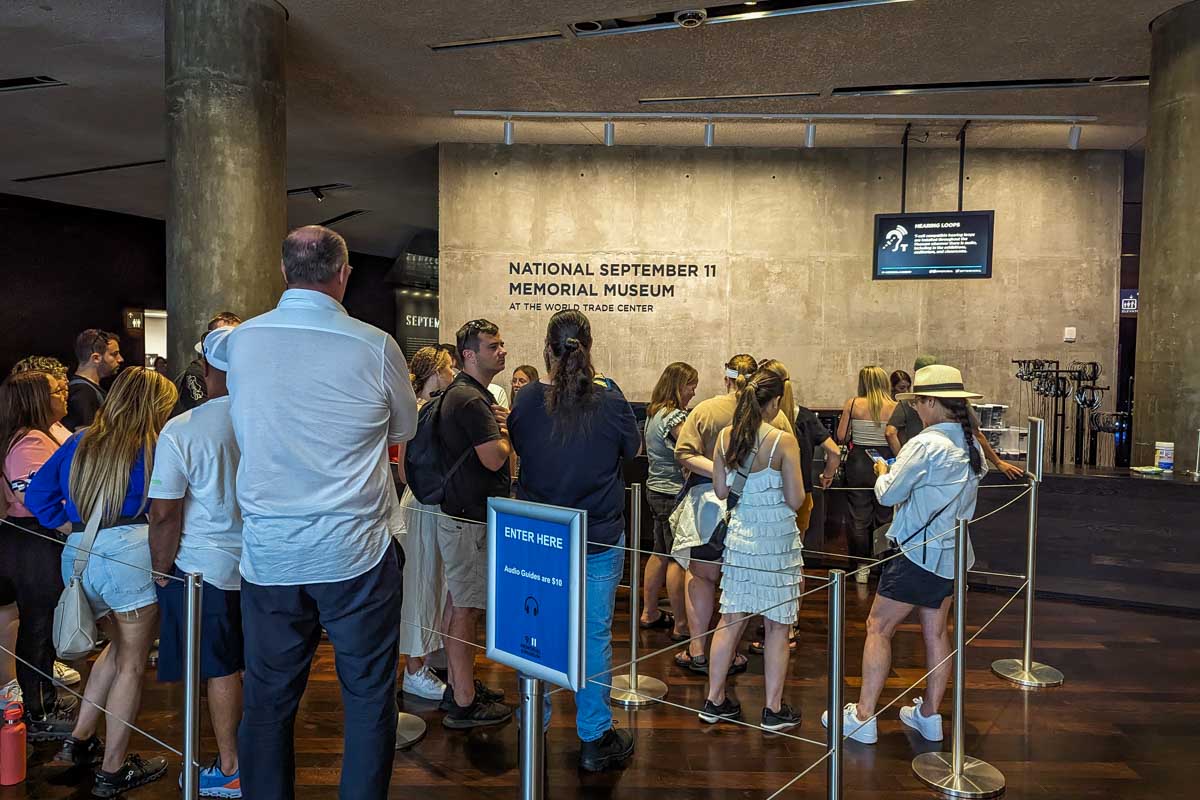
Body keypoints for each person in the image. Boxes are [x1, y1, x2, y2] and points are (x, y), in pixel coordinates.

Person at [224, 225, 418, 800]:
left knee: (266, 703)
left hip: (269, 555)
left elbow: (211, 347)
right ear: (344, 274)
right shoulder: (375, 345)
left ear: (284, 272)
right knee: (366, 699)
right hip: (355, 549)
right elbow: (404, 427)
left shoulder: (242, 341)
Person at [26, 367, 178, 796]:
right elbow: (168, 510)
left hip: (79, 553)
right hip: (130, 554)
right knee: (132, 663)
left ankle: (78, 742)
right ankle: (112, 772)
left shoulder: (79, 440)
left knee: (114, 653)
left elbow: (37, 495)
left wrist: (66, 525)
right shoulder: (153, 446)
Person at [823, 365, 987, 745]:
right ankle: (929, 715)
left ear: (930, 402)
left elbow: (887, 494)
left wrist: (883, 471)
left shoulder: (926, 443)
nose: (916, 409)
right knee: (935, 631)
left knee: (878, 627)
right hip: (953, 555)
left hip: (918, 553)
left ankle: (863, 717)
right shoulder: (971, 443)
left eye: (918, 402)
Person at [509, 309, 641, 771]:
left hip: (537, 538)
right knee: (594, 636)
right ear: (589, 348)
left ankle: (534, 725)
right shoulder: (610, 399)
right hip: (597, 537)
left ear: (547, 351)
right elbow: (634, 450)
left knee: (534, 633)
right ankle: (593, 738)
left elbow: (521, 448)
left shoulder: (526, 400)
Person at [146, 326, 243, 797]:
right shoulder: (268, 419)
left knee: (220, 668)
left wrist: (159, 568)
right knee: (255, 667)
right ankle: (255, 759)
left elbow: (164, 513)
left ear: (205, 371)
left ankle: (231, 768)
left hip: (206, 568)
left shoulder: (182, 429)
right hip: (268, 564)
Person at [699, 369, 806, 731]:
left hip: (741, 541)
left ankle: (714, 699)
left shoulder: (727, 437)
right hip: (777, 542)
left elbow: (721, 491)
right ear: (775, 402)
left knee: (730, 621)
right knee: (777, 627)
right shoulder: (782, 441)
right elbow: (796, 499)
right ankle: (772, 709)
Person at [671, 354, 790, 675]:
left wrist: (719, 473)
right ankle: (730, 651)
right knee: (738, 582)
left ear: (726, 378)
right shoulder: (778, 420)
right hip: (756, 511)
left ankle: (698, 648)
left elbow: (683, 453)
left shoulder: (706, 410)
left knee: (701, 576)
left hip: (707, 504)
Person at [435, 319, 512, 729]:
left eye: (501, 344)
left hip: (463, 517)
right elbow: (495, 459)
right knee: (465, 608)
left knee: (458, 604)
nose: (501, 351)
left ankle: (460, 687)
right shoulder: (470, 400)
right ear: (469, 354)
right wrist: (505, 430)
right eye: (492, 346)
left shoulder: (464, 394)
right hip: (469, 520)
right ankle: (464, 702)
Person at [0, 370, 79, 736]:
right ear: (35, 399)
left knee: (37, 625)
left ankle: (41, 701)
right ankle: (40, 710)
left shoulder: (34, 436)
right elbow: (34, 499)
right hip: (32, 541)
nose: (64, 394)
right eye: (55, 390)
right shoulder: (30, 441)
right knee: (38, 626)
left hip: (27, 541)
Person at [394, 346, 454, 702]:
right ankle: (414, 669)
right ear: (435, 371)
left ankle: (427, 658)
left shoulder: (430, 409)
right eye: (448, 367)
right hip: (421, 505)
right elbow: (404, 469)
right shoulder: (417, 411)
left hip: (431, 505)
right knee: (420, 584)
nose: (453, 372)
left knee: (436, 581)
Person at [886, 356, 1025, 480]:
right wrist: (998, 462)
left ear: (929, 402)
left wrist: (900, 464)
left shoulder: (919, 444)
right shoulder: (962, 406)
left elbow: (890, 433)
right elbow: (977, 435)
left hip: (917, 469)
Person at [641, 361, 697, 641]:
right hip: (673, 493)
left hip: (654, 489)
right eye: (691, 386)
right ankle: (682, 625)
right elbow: (689, 451)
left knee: (659, 553)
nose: (693, 393)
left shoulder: (654, 413)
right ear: (679, 385)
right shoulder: (676, 417)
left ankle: (650, 611)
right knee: (678, 559)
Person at [836, 366, 898, 583]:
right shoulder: (894, 406)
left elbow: (841, 435)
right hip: (886, 460)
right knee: (885, 514)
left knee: (858, 516)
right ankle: (884, 563)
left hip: (859, 462)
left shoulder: (853, 404)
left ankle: (861, 566)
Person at [173, 312, 241, 417]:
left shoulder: (245, 368)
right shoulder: (196, 370)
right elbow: (202, 413)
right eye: (219, 336)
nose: (224, 342)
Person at [64, 329, 123, 431]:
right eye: (114, 354)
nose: (120, 359)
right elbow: (84, 439)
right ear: (96, 358)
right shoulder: (83, 393)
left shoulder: (86, 389)